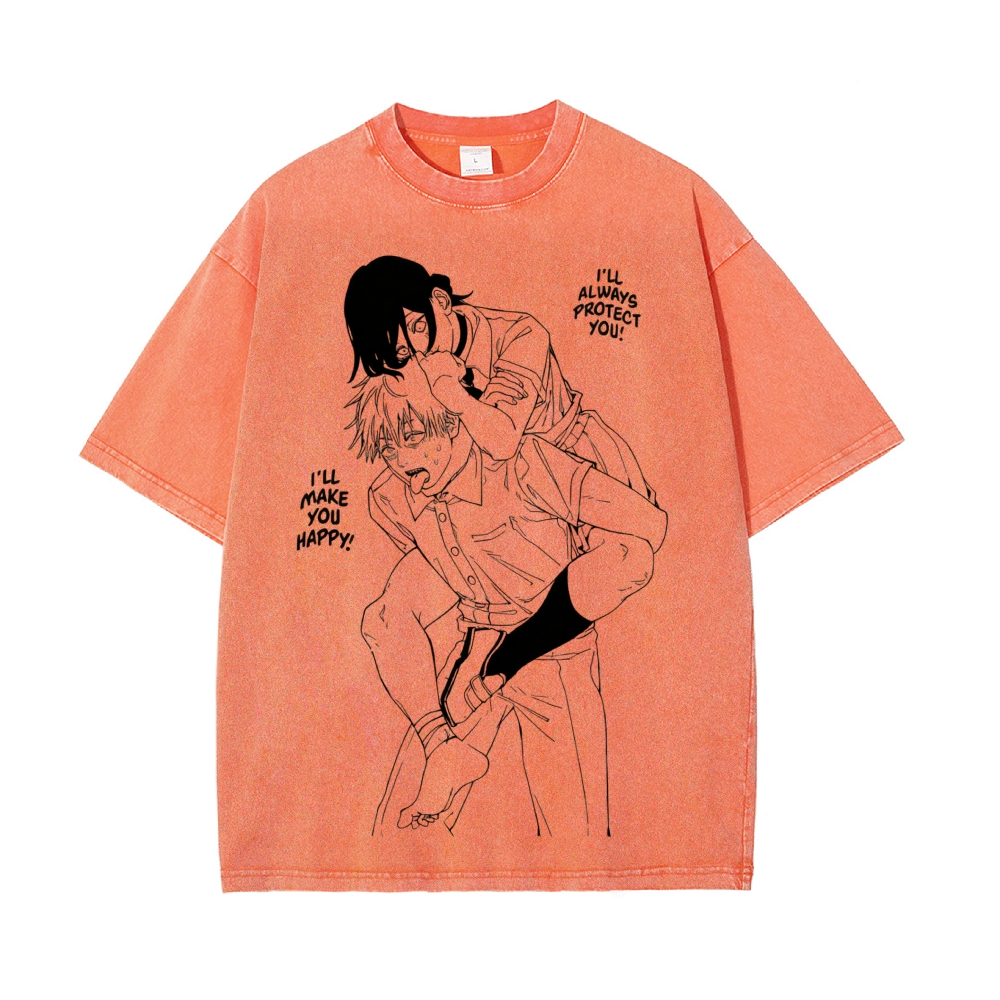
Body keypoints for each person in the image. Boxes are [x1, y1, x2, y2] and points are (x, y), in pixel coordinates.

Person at [349, 363, 667, 832]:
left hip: (556, 659)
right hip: (473, 656)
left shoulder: (524, 463)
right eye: (387, 448)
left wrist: (589, 557)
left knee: (575, 840)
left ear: (454, 419)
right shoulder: (393, 498)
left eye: (411, 438)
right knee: (397, 835)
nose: (398, 460)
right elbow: (437, 577)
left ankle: (513, 652)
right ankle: (442, 747)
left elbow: (647, 525)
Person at [344, 256, 654, 499]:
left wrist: (450, 390)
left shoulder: (520, 334)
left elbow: (503, 441)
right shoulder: (404, 368)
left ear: (440, 301)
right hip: (507, 493)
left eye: (419, 327)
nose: (419, 352)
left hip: (580, 462)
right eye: (401, 352)